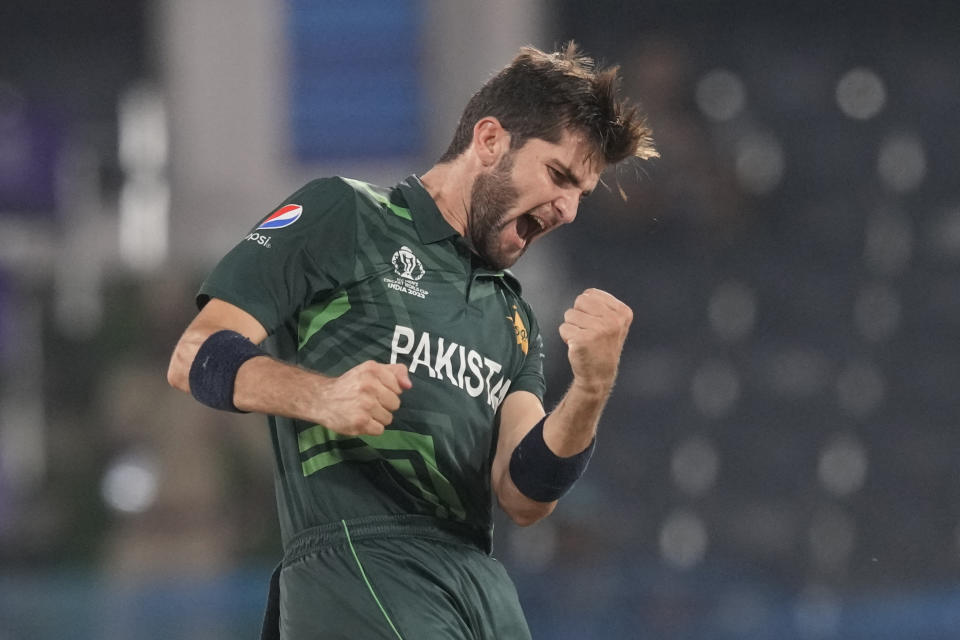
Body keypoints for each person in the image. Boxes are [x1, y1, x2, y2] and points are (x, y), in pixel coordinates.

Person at [167, 42, 656, 640]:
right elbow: (197, 353)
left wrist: (591, 388)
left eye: (582, 193)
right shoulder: (345, 215)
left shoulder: (515, 316)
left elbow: (525, 494)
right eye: (559, 176)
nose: (569, 209)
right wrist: (322, 398)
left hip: (480, 579)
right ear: (489, 140)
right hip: (361, 556)